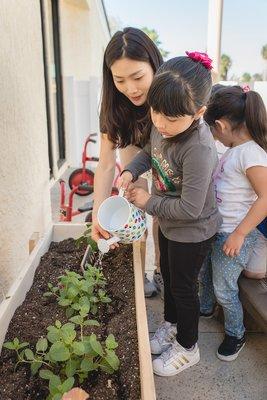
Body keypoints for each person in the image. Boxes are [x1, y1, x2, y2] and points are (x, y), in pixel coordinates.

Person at [117, 52, 221, 376]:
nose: (160, 123)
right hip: (168, 223)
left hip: (193, 231)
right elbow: (150, 153)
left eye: (171, 118)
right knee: (170, 280)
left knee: (184, 288)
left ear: (199, 112)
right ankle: (171, 325)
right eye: (155, 111)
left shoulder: (199, 149)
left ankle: (188, 347)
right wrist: (131, 171)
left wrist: (148, 203)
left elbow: (190, 208)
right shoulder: (163, 126)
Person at [91, 27, 164, 297]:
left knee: (162, 209)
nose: (130, 89)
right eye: (120, 80)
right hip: (136, 150)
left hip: (170, 152)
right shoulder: (113, 103)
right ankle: (140, 269)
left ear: (154, 65)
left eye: (137, 77)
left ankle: (161, 270)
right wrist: (98, 215)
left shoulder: (171, 92)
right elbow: (107, 163)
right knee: (133, 203)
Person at [199, 85, 267, 361]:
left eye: (213, 131)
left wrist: (239, 234)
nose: (214, 137)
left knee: (225, 289)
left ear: (221, 125)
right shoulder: (235, 150)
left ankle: (235, 333)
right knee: (206, 273)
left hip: (235, 235)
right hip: (218, 231)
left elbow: (265, 198)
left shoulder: (251, 154)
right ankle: (205, 308)